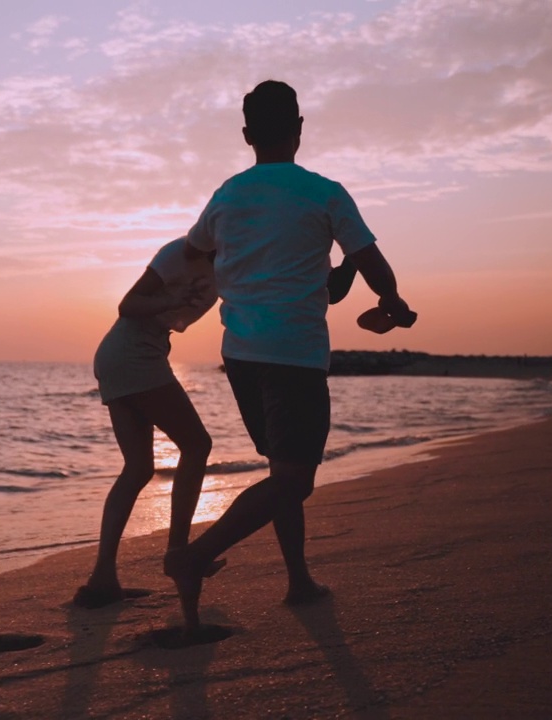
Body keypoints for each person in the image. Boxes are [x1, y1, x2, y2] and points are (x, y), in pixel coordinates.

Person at [166, 80, 417, 641]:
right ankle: (192, 556)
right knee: (294, 480)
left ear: (248, 134)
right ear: (299, 129)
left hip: (241, 356)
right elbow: (372, 260)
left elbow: (193, 250)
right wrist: (393, 303)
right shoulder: (323, 192)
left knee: (283, 471)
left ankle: (299, 580)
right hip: (294, 356)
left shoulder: (228, 194)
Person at [74, 237, 224, 609]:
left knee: (139, 468)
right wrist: (173, 300)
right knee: (197, 445)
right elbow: (128, 305)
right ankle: (178, 554)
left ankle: (102, 578)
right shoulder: (178, 254)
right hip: (132, 354)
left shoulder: (232, 265)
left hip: (130, 355)